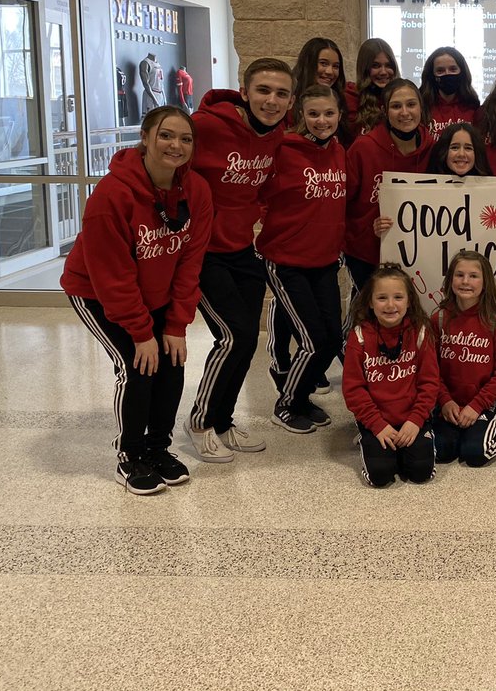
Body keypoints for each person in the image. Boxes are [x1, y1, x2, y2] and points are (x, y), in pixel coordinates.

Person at [62, 106, 213, 494]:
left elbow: (190, 264)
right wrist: (141, 332)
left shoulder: (196, 191)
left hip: (157, 293)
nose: (175, 145)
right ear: (145, 138)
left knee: (172, 363)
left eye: (185, 138)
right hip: (96, 291)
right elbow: (113, 275)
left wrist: (176, 325)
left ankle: (157, 447)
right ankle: (129, 455)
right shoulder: (112, 196)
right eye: (166, 135)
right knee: (137, 364)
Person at [185, 57, 293, 463]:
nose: (271, 100)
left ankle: (224, 420)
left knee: (248, 340)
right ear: (245, 93)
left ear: (290, 101)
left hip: (241, 250)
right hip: (203, 254)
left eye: (281, 93)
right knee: (234, 336)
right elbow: (167, 163)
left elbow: (263, 186)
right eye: (263, 91)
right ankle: (199, 421)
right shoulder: (207, 127)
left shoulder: (276, 135)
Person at [258, 84, 347, 435]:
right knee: (312, 340)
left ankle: (301, 394)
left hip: (324, 261)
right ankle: (287, 403)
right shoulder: (284, 150)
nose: (322, 121)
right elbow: (257, 190)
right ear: (301, 116)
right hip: (286, 261)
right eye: (313, 114)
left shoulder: (340, 152)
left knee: (329, 339)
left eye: (329, 113)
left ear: (339, 115)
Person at [341, 264, 440, 487]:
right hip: (378, 420)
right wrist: (377, 425)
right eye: (382, 298)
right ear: (370, 302)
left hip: (412, 418)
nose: (390, 305)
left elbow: (430, 383)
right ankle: (366, 440)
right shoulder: (359, 337)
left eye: (398, 297)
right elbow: (353, 390)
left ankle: (421, 439)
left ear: (409, 301)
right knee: (380, 476)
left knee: (420, 472)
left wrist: (416, 421)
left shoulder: (420, 332)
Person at [431, 251, 496, 467]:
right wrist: (445, 401)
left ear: (485, 283)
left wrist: (476, 406)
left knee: (476, 454)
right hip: (449, 402)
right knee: (442, 451)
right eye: (459, 275)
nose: (465, 281)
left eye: (473, 276)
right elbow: (430, 370)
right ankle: (462, 431)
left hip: (484, 403)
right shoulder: (438, 318)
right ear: (450, 280)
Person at [344, 78, 433, 293]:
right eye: (396, 106)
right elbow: (343, 201)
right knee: (368, 312)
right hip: (365, 253)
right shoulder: (363, 148)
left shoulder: (432, 148)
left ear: (421, 107)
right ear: (385, 111)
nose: (405, 112)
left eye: (411, 104)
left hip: (414, 253)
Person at [419, 46, 481, 137]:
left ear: (462, 72)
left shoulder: (473, 106)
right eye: (440, 71)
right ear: (432, 75)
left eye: (453, 69)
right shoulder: (421, 106)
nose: (447, 73)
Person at [345, 38, 399, 138]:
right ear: (364, 68)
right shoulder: (351, 98)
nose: (383, 72)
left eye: (388, 65)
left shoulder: (401, 96)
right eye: (375, 66)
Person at [426, 122, 493, 178]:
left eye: (468, 148)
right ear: (443, 151)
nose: (461, 154)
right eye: (455, 147)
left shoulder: (492, 187)